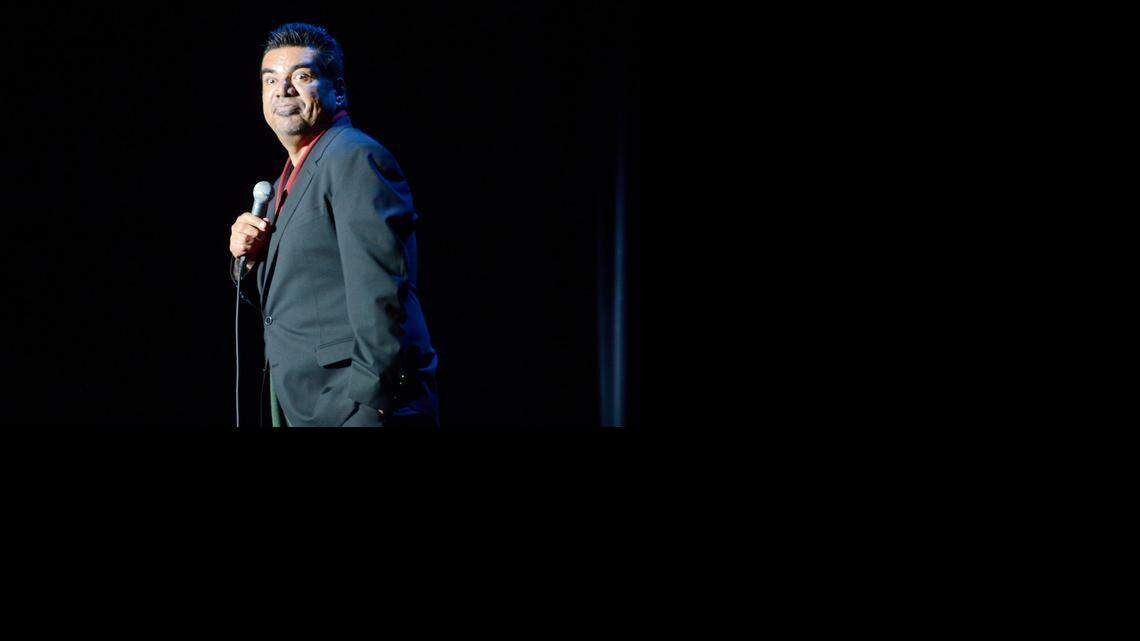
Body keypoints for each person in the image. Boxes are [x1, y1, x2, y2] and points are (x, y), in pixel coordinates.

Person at [229, 23, 439, 428]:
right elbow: (293, 297)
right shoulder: (282, 184)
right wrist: (250, 261)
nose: (282, 89)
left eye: (301, 77)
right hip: (307, 404)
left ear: (337, 90)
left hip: (353, 406)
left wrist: (370, 406)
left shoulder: (354, 158)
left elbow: (382, 290)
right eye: (270, 79)